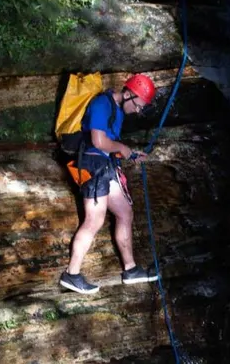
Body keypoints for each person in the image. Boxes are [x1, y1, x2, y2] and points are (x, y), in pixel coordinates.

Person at [59, 73, 159, 295]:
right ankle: (71, 274)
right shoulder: (102, 104)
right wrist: (122, 148)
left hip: (106, 165)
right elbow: (98, 141)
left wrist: (131, 154)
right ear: (129, 93)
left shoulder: (118, 111)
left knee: (125, 212)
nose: (138, 111)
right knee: (94, 219)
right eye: (139, 105)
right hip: (92, 165)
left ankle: (130, 269)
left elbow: (110, 145)